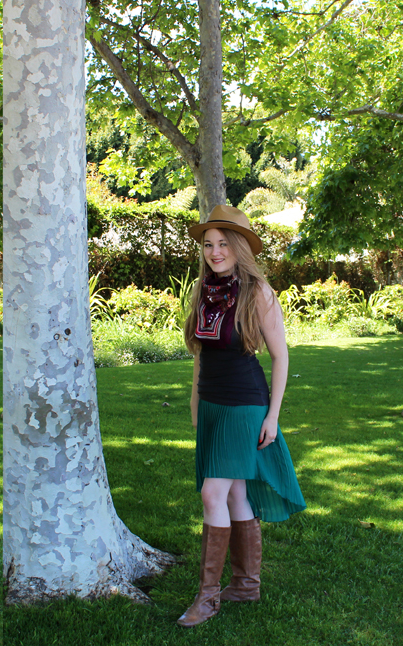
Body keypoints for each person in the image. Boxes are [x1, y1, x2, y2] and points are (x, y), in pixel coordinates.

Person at [177, 205, 306, 628]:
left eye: (223, 244)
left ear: (239, 248)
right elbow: (200, 354)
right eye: (208, 245)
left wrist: (273, 415)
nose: (215, 252)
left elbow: (280, 356)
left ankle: (208, 598)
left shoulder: (258, 292)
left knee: (212, 495)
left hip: (245, 404)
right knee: (234, 495)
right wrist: (196, 404)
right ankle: (246, 586)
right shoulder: (204, 291)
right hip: (213, 404)